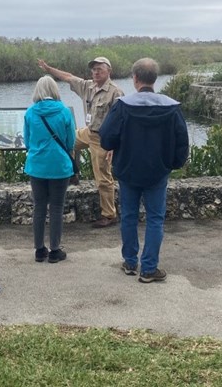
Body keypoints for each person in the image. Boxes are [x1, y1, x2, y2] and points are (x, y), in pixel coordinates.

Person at [99, 58, 189, 283]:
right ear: (154, 79)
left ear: (135, 78)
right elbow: (182, 142)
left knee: (129, 216)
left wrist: (115, 148)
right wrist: (174, 164)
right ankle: (149, 269)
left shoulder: (123, 105)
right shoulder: (172, 107)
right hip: (158, 171)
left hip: (128, 170)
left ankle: (130, 263)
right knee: (155, 219)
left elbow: (106, 137)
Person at [37, 56, 124, 228]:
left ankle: (109, 215)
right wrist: (48, 69)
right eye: (93, 69)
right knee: (64, 141)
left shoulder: (116, 93)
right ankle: (72, 174)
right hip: (88, 132)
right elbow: (68, 76)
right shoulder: (87, 86)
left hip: (103, 139)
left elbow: (121, 121)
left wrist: (113, 144)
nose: (95, 72)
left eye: (99, 69)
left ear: (109, 71)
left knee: (103, 178)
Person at [23, 75, 76, 263]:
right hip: (59, 166)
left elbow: (28, 142)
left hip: (37, 166)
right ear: (55, 90)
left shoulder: (30, 113)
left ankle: (39, 249)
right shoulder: (64, 111)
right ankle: (55, 250)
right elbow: (71, 141)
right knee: (56, 207)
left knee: (39, 207)